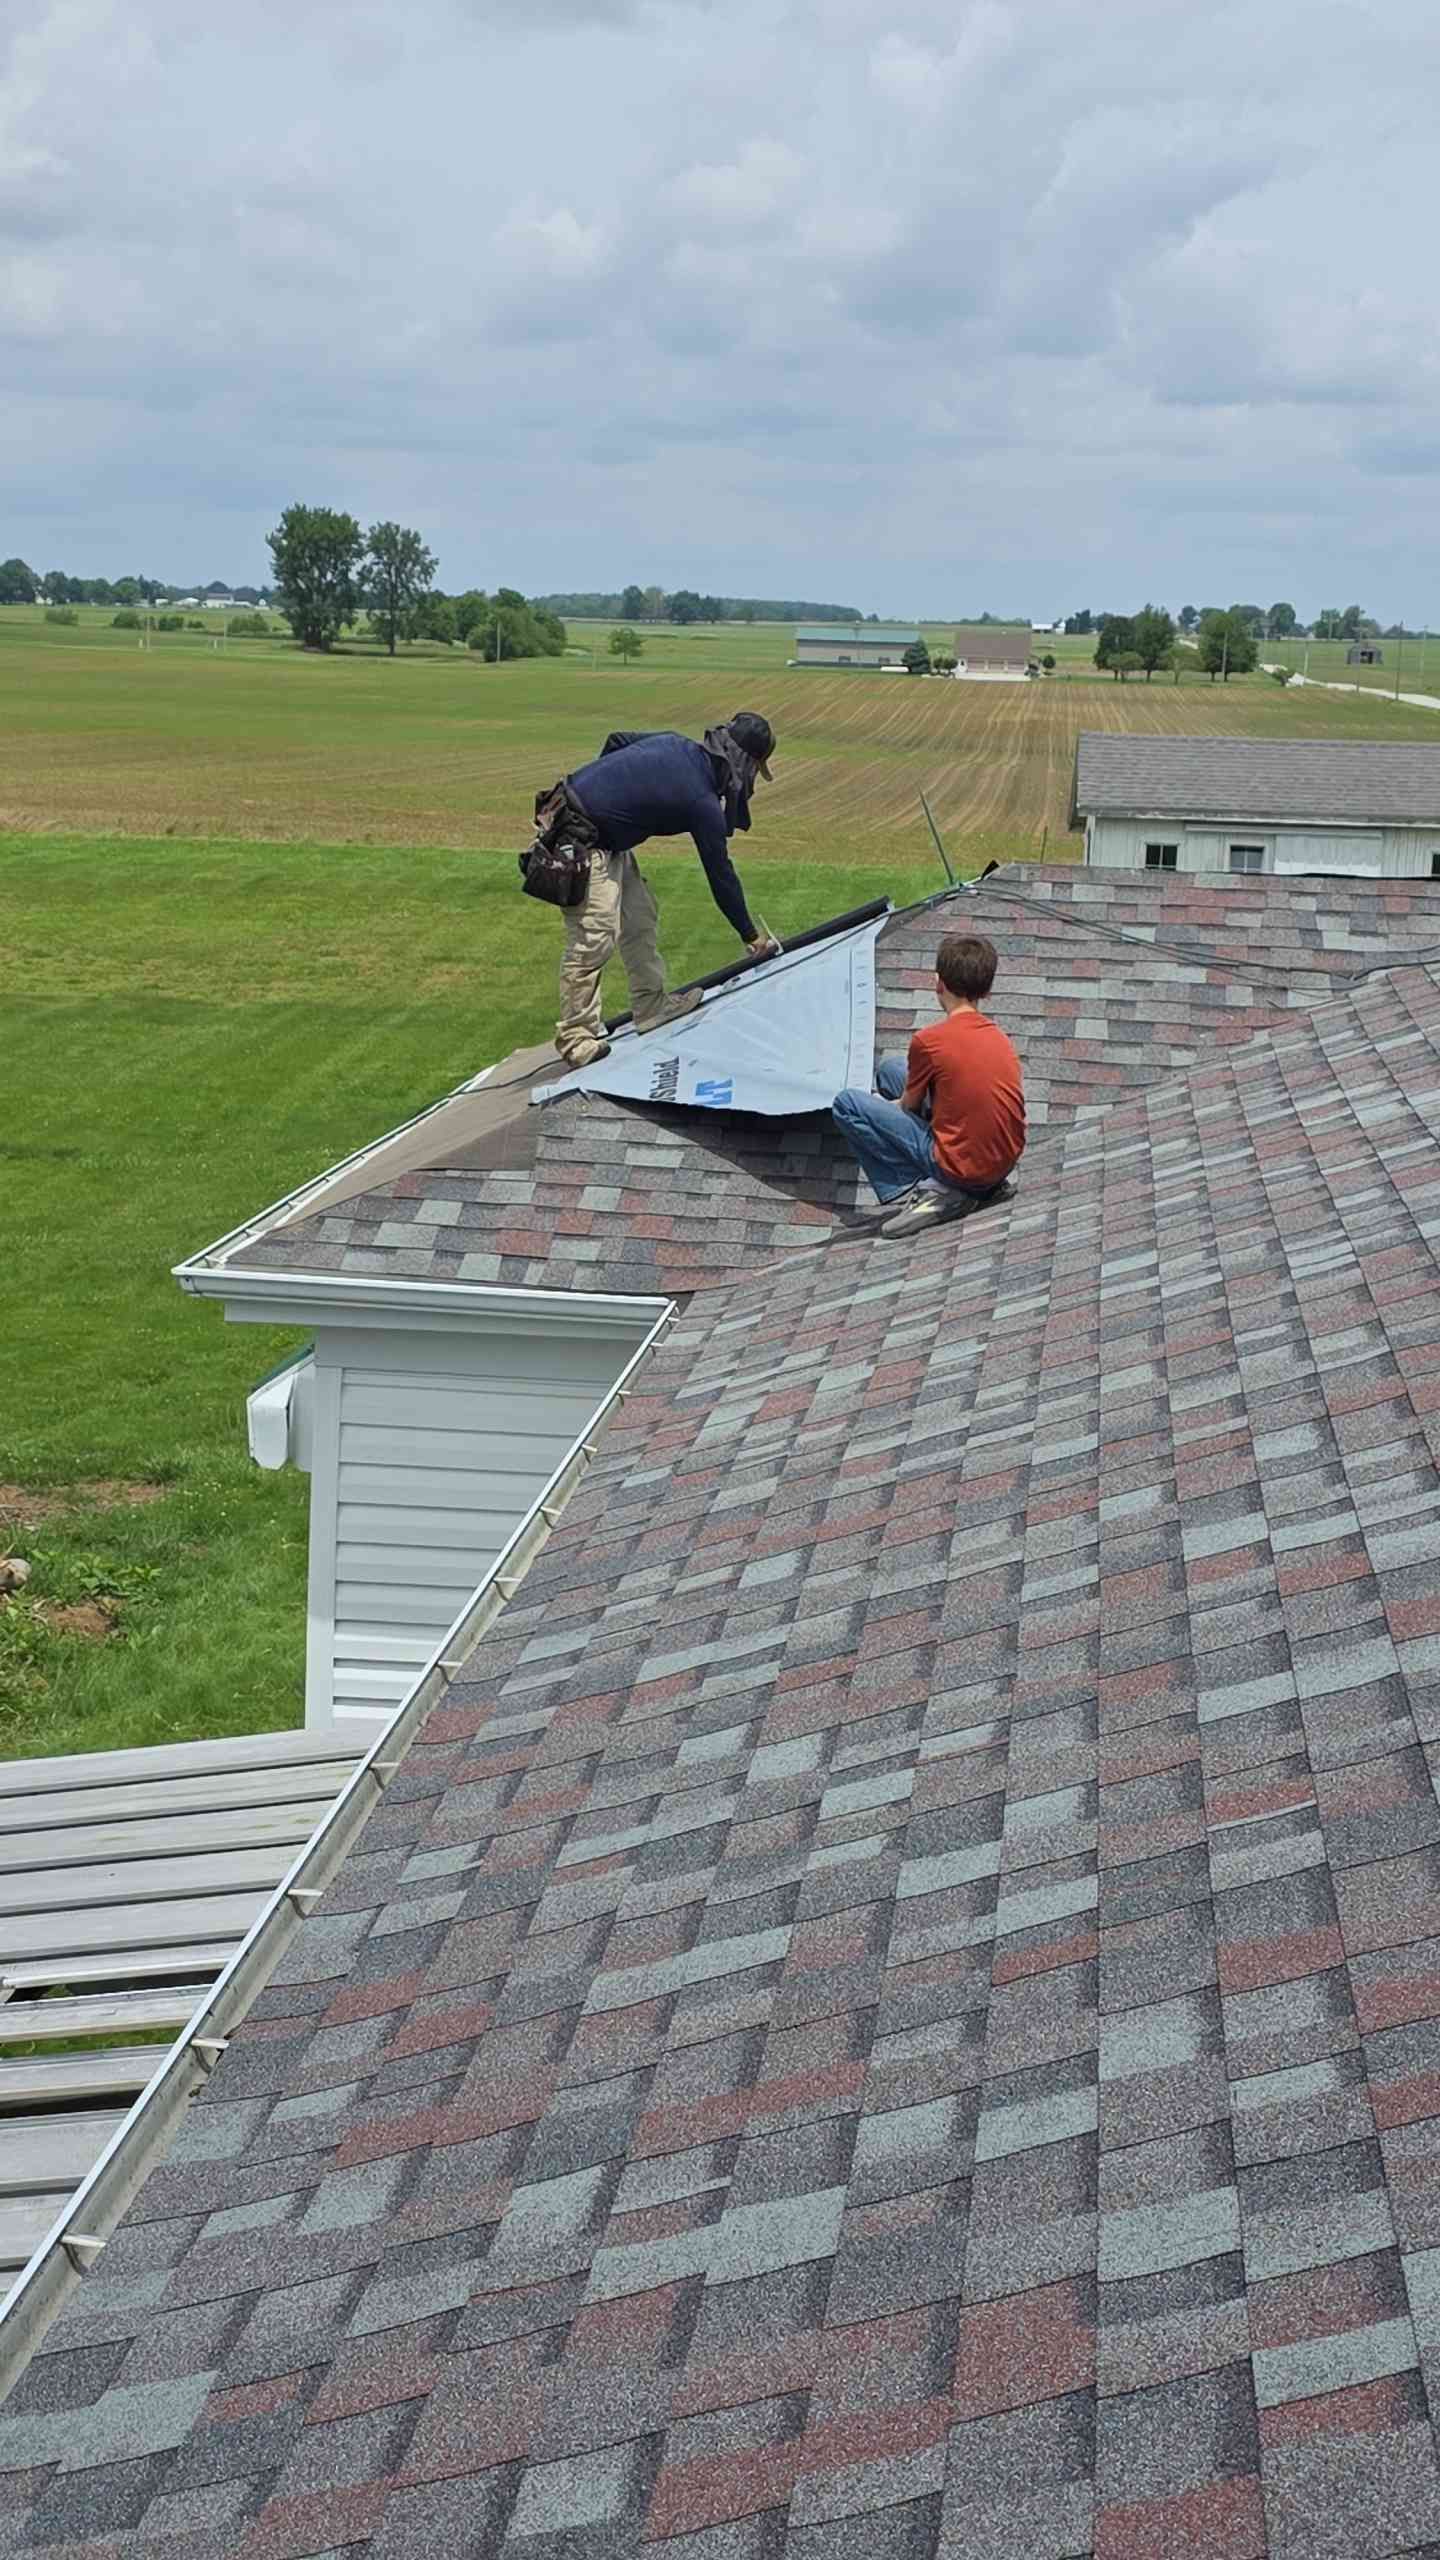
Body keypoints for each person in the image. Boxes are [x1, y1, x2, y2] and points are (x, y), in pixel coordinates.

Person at [536, 713, 781, 1068]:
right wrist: (752, 936)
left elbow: (616, 739)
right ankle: (576, 1037)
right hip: (579, 839)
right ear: (744, 766)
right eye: (755, 772)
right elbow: (720, 874)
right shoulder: (702, 802)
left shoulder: (673, 742)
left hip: (604, 835)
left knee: (639, 916)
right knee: (596, 933)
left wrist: (610, 791)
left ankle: (650, 1008)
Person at [832, 930, 1025, 1239]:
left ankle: (935, 1189)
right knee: (891, 1071)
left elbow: (907, 1105)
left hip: (965, 1170)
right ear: (986, 991)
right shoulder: (999, 1038)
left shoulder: (929, 1041)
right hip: (1000, 1164)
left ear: (939, 982)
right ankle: (968, 1185)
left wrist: (877, 1106)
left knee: (848, 1104)